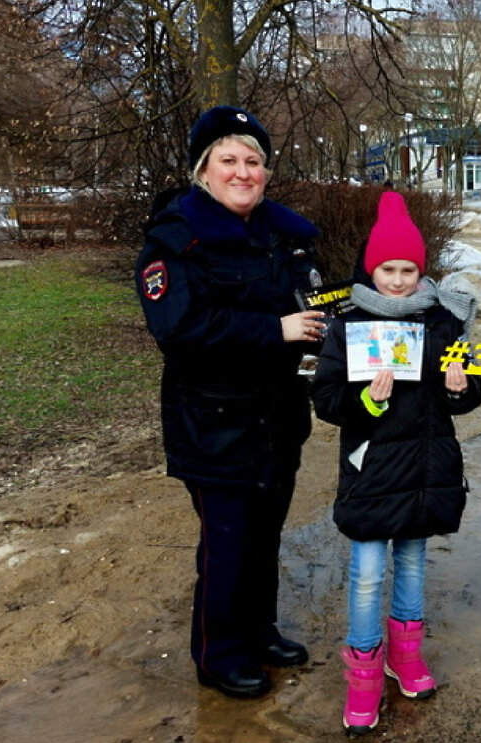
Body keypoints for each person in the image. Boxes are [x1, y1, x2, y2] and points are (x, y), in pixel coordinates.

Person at [135, 105, 328, 699]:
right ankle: (218, 653)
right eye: (229, 160)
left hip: (278, 416)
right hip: (214, 421)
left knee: (266, 533)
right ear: (203, 171)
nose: (243, 172)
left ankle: (259, 631)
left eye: (254, 161)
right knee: (227, 540)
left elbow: (319, 311)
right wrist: (276, 330)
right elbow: (180, 328)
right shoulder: (174, 240)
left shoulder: (287, 237)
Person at [311, 191, 481, 735]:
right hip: (372, 470)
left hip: (425, 467)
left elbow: (469, 394)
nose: (398, 280)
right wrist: (369, 402)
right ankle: (362, 676)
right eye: (388, 268)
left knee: (412, 564)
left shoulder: (442, 324)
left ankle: (405, 658)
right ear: (372, 269)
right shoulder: (348, 326)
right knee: (366, 575)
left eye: (408, 269)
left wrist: (460, 386)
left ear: (420, 270)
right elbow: (326, 400)